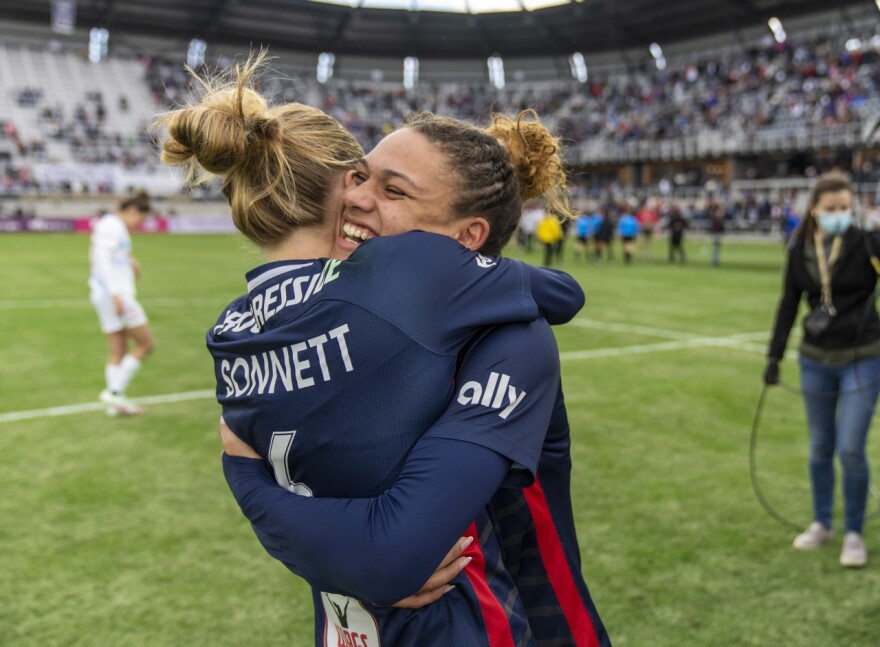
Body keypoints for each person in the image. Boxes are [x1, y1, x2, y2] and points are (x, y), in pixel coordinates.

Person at [160, 55, 609, 646]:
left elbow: (390, 553)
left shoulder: (511, 339)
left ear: (466, 239)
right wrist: (335, 554)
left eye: (392, 190)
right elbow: (346, 532)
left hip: (517, 628)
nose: (356, 198)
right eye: (360, 176)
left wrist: (248, 481)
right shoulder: (344, 318)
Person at [764, 172, 880, 568]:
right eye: (831, 209)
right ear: (814, 210)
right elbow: (787, 304)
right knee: (820, 447)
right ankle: (822, 523)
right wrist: (774, 357)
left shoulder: (867, 243)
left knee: (850, 448)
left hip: (863, 358)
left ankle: (853, 532)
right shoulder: (800, 250)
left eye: (845, 208)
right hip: (814, 359)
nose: (838, 215)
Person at [88, 190, 155, 416]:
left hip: (103, 294)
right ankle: (114, 392)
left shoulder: (111, 226)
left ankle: (115, 404)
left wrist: (130, 261)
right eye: (140, 219)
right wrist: (116, 294)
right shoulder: (113, 225)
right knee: (146, 344)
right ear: (132, 210)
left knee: (117, 348)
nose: (139, 224)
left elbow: (109, 256)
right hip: (116, 296)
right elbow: (102, 259)